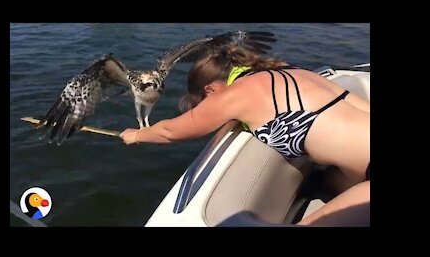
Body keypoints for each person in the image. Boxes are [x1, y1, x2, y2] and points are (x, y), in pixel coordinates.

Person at [120, 46, 370, 226]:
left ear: (211, 89)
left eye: (202, 102)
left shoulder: (237, 92)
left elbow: (169, 131)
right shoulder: (288, 71)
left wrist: (137, 135)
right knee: (330, 182)